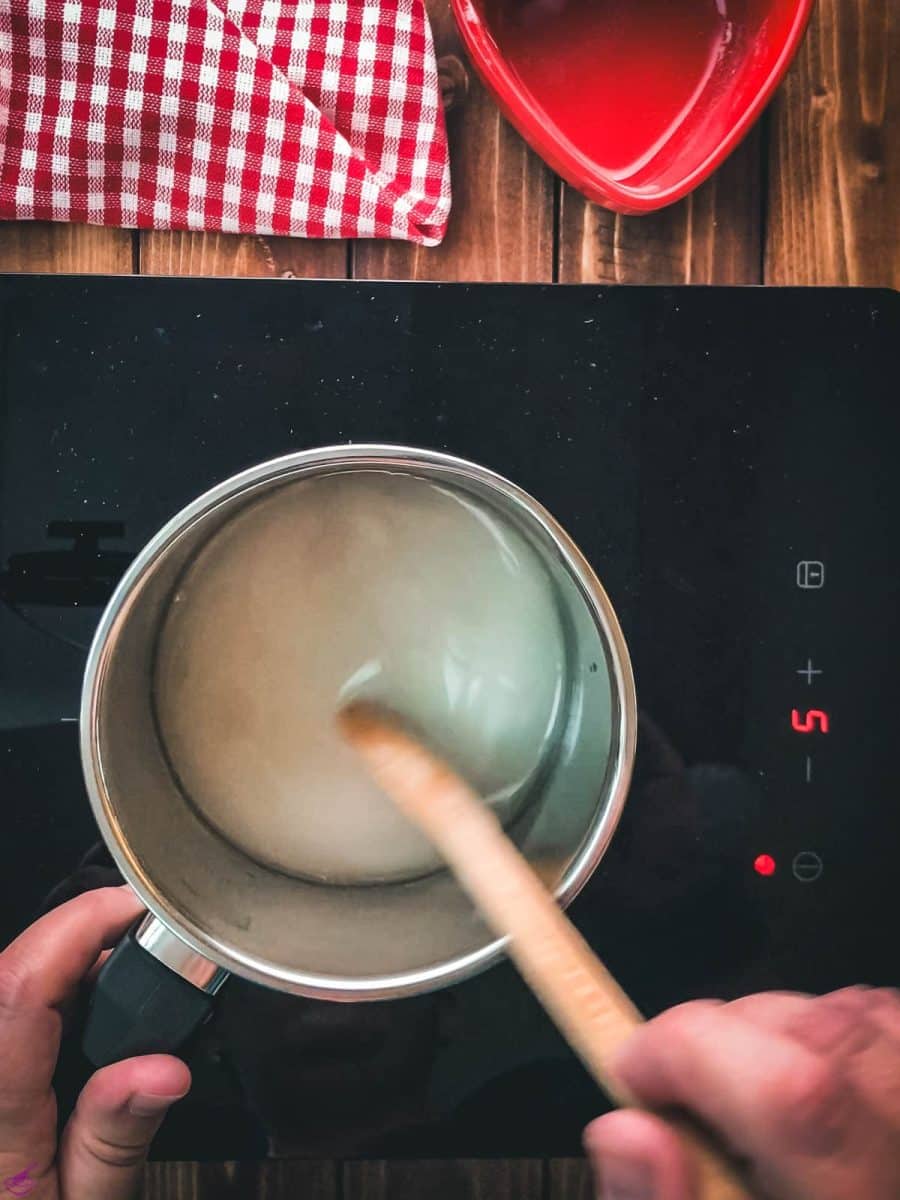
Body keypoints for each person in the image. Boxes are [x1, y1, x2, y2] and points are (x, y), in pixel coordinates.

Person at [1, 889, 898, 1199]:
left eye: (364, 967)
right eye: (291, 974)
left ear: (445, 1009)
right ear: (220, 1040)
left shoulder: (558, 1117)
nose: (329, 993)